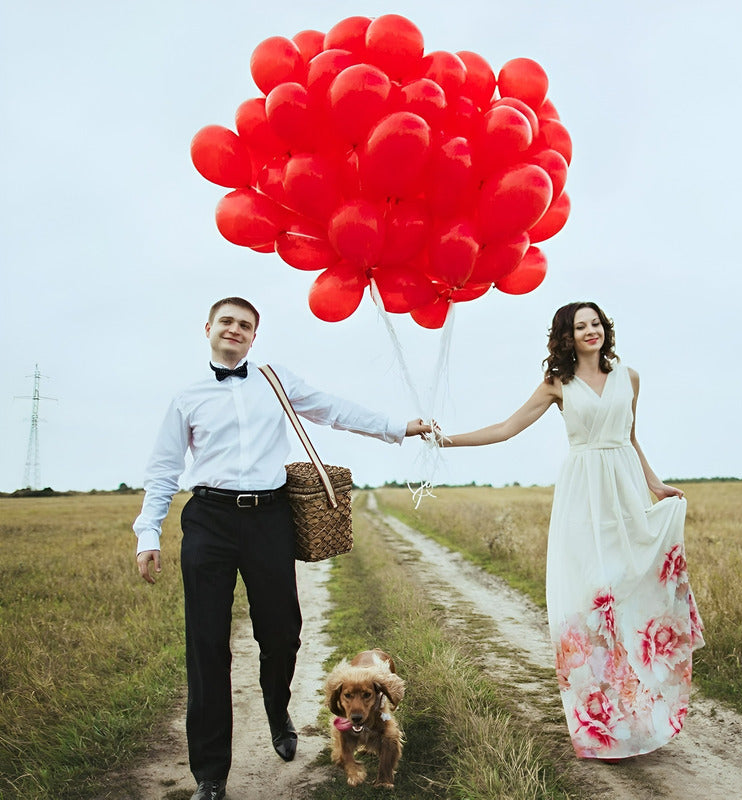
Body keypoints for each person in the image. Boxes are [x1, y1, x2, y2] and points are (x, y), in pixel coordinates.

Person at [133, 296, 429, 800]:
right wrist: (148, 533)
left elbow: (334, 409)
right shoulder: (187, 396)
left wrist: (397, 427)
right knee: (205, 647)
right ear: (208, 328)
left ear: (255, 335)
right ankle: (209, 774)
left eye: (245, 325)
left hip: (269, 518)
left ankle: (276, 708)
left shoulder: (276, 380)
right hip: (208, 518)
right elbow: (163, 470)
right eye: (226, 321)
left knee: (283, 632)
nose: (235, 330)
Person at [437, 301, 704, 760]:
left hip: (624, 493)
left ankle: (641, 711)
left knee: (627, 595)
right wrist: (447, 439)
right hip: (582, 498)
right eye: (580, 325)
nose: (590, 330)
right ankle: (603, 720)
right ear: (567, 334)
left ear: (605, 328)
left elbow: (630, 436)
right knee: (590, 602)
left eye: (595, 323)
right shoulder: (558, 382)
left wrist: (655, 484)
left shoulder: (629, 377)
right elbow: (507, 427)